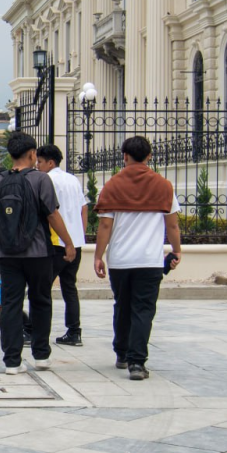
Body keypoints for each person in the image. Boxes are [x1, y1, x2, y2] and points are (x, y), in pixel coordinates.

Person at [0, 132, 76, 375]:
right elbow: (52, 215)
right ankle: (41, 355)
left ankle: (12, 361)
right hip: (38, 253)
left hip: (7, 256)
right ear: (32, 154)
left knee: (11, 304)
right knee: (41, 300)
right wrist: (68, 243)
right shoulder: (41, 180)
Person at [94, 136, 181, 381]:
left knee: (122, 306)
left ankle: (121, 353)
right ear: (149, 156)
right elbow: (172, 226)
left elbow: (104, 226)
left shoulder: (112, 185)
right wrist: (177, 250)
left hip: (120, 260)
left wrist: (98, 256)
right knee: (143, 309)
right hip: (150, 261)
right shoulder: (164, 186)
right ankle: (137, 362)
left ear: (124, 156)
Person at [36, 144, 87, 346]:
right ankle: (74, 331)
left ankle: (35, 329)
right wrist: (78, 236)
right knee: (69, 288)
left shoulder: (46, 179)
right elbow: (84, 208)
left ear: (50, 162)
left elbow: (50, 213)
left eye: (40, 162)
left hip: (57, 242)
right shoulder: (73, 179)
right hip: (76, 242)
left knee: (41, 289)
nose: (37, 165)